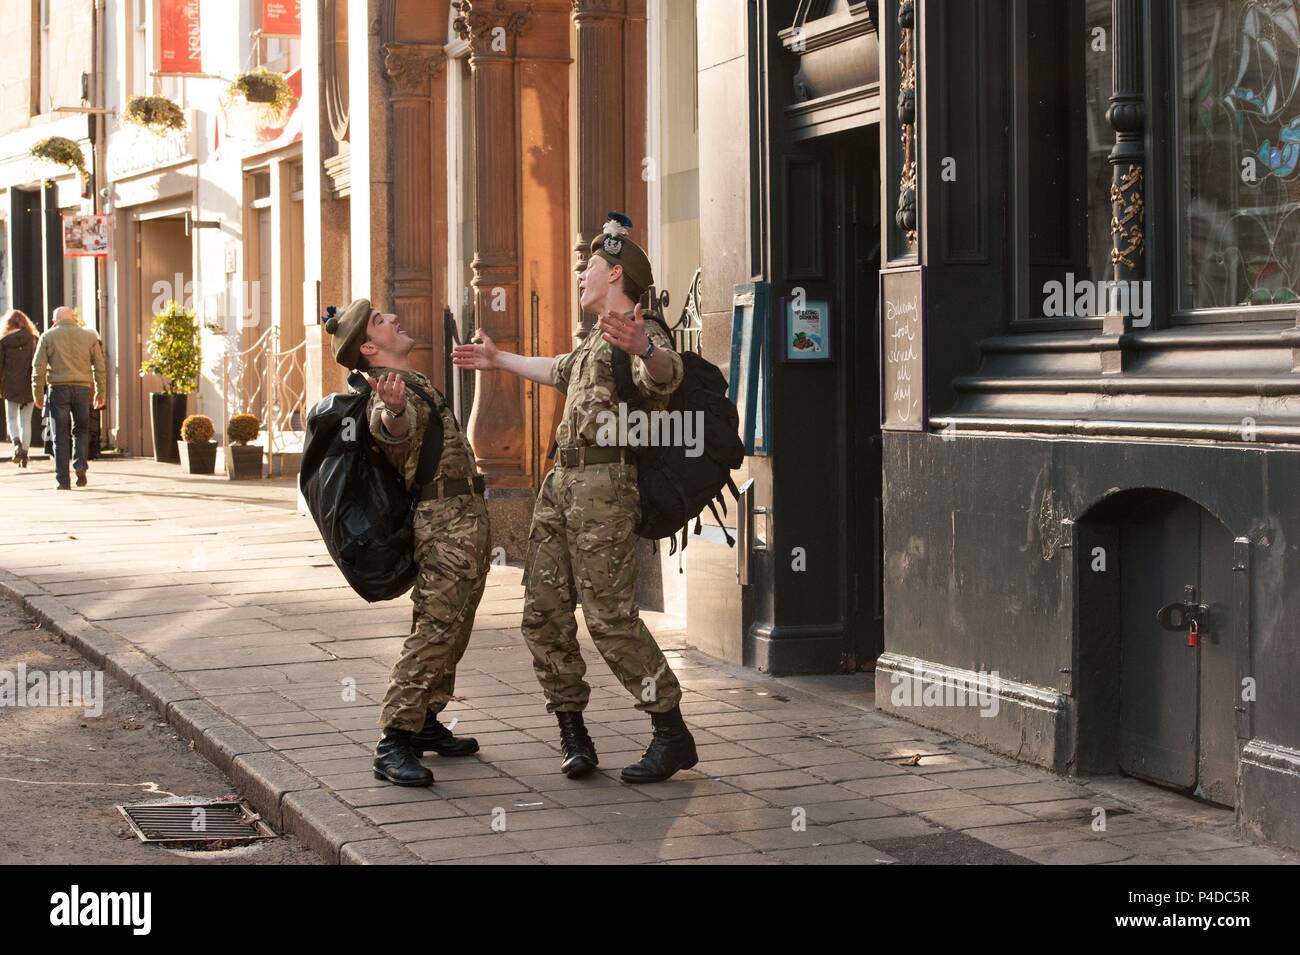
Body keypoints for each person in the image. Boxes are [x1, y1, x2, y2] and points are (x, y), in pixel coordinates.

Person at [452, 212, 698, 784]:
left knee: (610, 619)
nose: (580, 275)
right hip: (560, 487)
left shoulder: (639, 330)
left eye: (588, 267)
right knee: (542, 615)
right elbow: (559, 370)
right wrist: (498, 360)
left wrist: (646, 348)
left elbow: (665, 372)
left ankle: (670, 729)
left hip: (605, 493)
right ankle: (573, 731)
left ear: (614, 272)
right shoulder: (593, 343)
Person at [324, 298, 491, 787]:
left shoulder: (412, 382)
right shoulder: (387, 393)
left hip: (464, 522)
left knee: (453, 628)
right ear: (371, 348)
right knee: (436, 629)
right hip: (444, 528)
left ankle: (425, 722)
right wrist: (395, 412)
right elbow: (391, 428)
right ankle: (393, 740)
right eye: (380, 321)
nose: (394, 318)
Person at [31, 306, 106, 490]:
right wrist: (100, 392)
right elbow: (99, 365)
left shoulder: (47, 336)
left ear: (55, 321)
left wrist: (38, 394)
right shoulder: (89, 336)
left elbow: (38, 368)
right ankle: (80, 465)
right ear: (73, 319)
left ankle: (63, 481)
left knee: (60, 436)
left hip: (58, 389)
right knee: (81, 430)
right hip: (82, 389)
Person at [1, 309, 39, 468]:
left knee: (11, 418)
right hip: (29, 385)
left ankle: (16, 443)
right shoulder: (34, 340)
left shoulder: (3, 341)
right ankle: (24, 454)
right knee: (26, 421)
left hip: (10, 385)